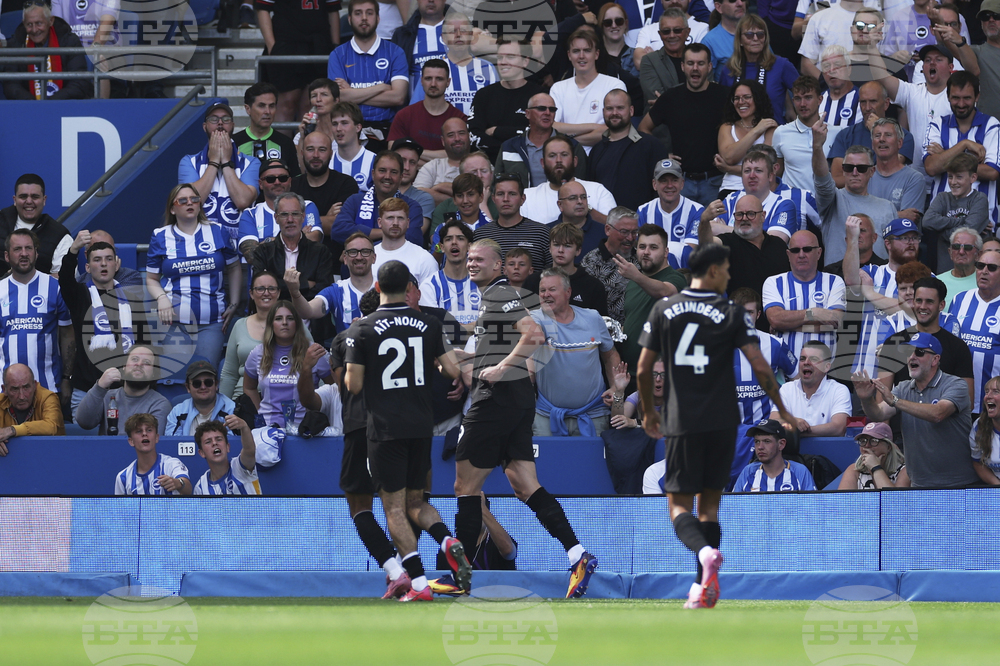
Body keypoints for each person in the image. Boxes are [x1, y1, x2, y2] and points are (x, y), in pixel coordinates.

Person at [636, 239, 796, 609]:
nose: (728, 275)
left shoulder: (665, 307)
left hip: (682, 418)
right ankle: (702, 588)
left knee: (678, 506)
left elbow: (644, 368)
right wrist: (782, 409)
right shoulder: (730, 312)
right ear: (710, 271)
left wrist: (647, 411)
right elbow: (760, 366)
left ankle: (704, 555)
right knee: (709, 507)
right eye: (724, 269)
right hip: (725, 419)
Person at [453, 239, 599, 599]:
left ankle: (457, 577)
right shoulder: (498, 298)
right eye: (469, 259)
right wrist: (471, 357)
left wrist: (502, 367)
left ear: (499, 265)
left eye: (480, 260)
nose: (472, 264)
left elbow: (533, 335)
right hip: (518, 401)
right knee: (524, 485)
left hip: (495, 401)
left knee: (465, 488)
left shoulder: (500, 294)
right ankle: (577, 555)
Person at [345, 260, 468, 601]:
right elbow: (452, 369)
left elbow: (353, 385)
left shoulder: (363, 329)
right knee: (417, 501)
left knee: (394, 509)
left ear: (378, 287)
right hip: (421, 424)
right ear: (410, 288)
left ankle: (416, 584)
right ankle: (446, 538)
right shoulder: (429, 323)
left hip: (384, 428)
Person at [853, 333, 978, 489]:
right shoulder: (903, 388)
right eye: (908, 352)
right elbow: (878, 414)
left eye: (919, 352)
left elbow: (938, 413)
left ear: (935, 359)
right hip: (919, 484)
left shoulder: (955, 384)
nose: (912, 357)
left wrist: (895, 401)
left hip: (959, 484)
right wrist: (866, 399)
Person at [146, 184, 241, 370]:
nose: (190, 203)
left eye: (194, 199)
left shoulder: (218, 231)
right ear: (172, 209)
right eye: (183, 200)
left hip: (212, 323)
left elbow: (235, 266)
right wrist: (161, 298)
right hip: (173, 323)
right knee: (175, 374)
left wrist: (234, 303)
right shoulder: (160, 236)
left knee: (204, 374)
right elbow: (151, 278)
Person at [531, 268, 620, 436]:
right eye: (542, 290)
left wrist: (615, 387)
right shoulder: (536, 318)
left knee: (591, 462)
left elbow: (610, 356)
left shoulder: (593, 318)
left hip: (593, 414)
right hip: (546, 415)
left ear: (568, 292)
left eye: (552, 289)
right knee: (547, 463)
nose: (545, 294)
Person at [639, 44, 730, 206]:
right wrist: (662, 154)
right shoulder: (671, 97)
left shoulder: (724, 96)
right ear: (682, 66)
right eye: (690, 63)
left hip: (716, 181)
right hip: (681, 183)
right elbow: (643, 129)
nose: (695, 68)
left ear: (709, 67)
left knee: (714, 230)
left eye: (701, 63)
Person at [58, 235, 138, 415]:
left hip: (126, 391)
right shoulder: (79, 296)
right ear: (87, 267)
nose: (103, 264)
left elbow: (143, 341)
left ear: (116, 265)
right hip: (86, 389)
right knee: (86, 443)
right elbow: (64, 278)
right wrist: (73, 250)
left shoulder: (131, 300)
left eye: (109, 259)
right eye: (97, 260)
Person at [877, 276, 974, 407]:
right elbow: (882, 402)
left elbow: (967, 401)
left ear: (941, 305)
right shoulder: (893, 343)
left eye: (929, 302)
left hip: (943, 424)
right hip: (901, 425)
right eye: (918, 301)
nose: (923, 307)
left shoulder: (957, 347)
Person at [923, 72, 1000, 232]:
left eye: (967, 98)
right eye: (956, 98)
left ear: (977, 96)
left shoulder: (991, 125)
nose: (961, 103)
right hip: (941, 225)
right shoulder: (937, 124)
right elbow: (931, 168)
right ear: (948, 96)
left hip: (983, 225)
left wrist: (945, 155)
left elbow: (992, 172)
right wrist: (965, 144)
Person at [812, 122, 898, 265]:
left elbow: (895, 250)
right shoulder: (833, 199)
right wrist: (817, 147)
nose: (855, 172)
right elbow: (822, 179)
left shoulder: (888, 207)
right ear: (843, 170)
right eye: (849, 167)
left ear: (872, 171)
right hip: (839, 280)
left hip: (877, 282)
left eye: (862, 168)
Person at [0, 229, 73, 396]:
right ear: (6, 256)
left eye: (29, 248)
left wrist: (67, 377)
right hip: (4, 391)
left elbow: (68, 335)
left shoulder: (55, 287)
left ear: (36, 253)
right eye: (17, 249)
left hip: (48, 389)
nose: (24, 254)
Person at [178, 103, 261, 243]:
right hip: (200, 247)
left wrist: (227, 162)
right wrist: (214, 162)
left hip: (238, 248)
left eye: (226, 119)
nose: (220, 123)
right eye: (214, 119)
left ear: (233, 125)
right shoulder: (189, 162)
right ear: (205, 126)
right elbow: (191, 201)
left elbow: (243, 201)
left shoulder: (251, 163)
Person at [244, 301, 333, 429]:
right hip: (267, 430)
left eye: (290, 318)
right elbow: (249, 388)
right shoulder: (258, 353)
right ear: (271, 324)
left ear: (297, 323)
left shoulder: (314, 352)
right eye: (278, 319)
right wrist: (260, 413)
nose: (284, 322)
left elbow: (334, 389)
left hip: (305, 430)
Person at [869, 44, 954, 176]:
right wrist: (871, 44)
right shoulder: (912, 92)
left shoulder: (958, 98)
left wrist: (945, 155)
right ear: (922, 68)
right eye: (927, 60)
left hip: (948, 178)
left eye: (938, 59)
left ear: (951, 67)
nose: (932, 63)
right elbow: (881, 75)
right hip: (915, 179)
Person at [762, 230, 846, 359]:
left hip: (824, 370)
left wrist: (787, 326)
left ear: (819, 253)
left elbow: (834, 322)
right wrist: (813, 313)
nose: (801, 255)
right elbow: (775, 319)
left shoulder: (834, 281)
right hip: (783, 372)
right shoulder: (773, 282)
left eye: (807, 249)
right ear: (788, 255)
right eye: (795, 250)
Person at [327, 0, 409, 132]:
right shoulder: (337, 54)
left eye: (369, 13)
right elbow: (338, 97)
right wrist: (381, 88)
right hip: (349, 130)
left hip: (387, 128)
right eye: (358, 13)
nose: (364, 18)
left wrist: (352, 92)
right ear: (349, 19)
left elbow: (398, 97)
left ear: (378, 18)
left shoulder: (395, 52)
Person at [255, 0, 340, 125]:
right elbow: (262, 8)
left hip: (318, 43)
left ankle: (305, 144)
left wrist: (335, 49)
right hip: (286, 42)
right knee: (287, 102)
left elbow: (333, 10)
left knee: (310, 103)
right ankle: (283, 145)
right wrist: (273, 48)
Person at [549, 28, 628, 155]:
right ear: (569, 55)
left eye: (587, 50)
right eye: (576, 51)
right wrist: (594, 127)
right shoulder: (558, 88)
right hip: (568, 161)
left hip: (605, 156)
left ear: (596, 54)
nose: (581, 56)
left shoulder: (614, 85)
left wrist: (569, 139)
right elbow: (552, 127)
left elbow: (613, 130)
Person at [700, 194, 790, 304]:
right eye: (739, 214)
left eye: (751, 214)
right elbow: (706, 246)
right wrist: (704, 221)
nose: (744, 218)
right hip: (740, 316)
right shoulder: (727, 242)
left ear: (763, 216)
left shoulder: (778, 245)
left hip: (775, 314)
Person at [620, 224, 688, 370]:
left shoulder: (677, 278)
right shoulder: (632, 283)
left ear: (665, 252)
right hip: (631, 372)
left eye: (653, 247)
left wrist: (637, 276)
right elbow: (633, 319)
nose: (646, 252)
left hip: (661, 375)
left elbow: (664, 292)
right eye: (642, 246)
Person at [587, 89, 668, 210]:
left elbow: (662, 189)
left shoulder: (651, 145)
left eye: (620, 108)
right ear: (603, 112)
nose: (614, 113)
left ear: (631, 111)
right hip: (604, 223)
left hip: (641, 223)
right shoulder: (596, 151)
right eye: (609, 109)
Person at [248, 192, 335, 303]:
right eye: (284, 214)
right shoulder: (263, 252)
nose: (290, 219)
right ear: (276, 218)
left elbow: (324, 292)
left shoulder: (320, 251)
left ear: (303, 217)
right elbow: (261, 291)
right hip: (274, 315)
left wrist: (278, 287)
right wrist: (304, 284)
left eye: (295, 214)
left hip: (311, 317)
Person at [468, 40, 548, 161]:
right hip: (489, 166)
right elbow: (473, 136)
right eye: (500, 57)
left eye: (510, 57)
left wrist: (497, 131)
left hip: (530, 164)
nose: (503, 62)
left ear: (525, 61)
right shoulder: (483, 95)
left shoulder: (539, 95)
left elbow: (539, 133)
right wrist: (508, 149)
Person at [286, 233, 376, 339]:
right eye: (353, 252)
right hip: (347, 354)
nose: (359, 257)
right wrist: (295, 292)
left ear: (374, 258)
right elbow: (308, 312)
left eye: (365, 252)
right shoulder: (336, 291)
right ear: (345, 258)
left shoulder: (387, 288)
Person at [291, 131, 361, 263]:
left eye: (322, 150)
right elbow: (282, 226)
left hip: (335, 264)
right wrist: (326, 218)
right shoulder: (292, 186)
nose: (316, 155)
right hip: (297, 264)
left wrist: (300, 221)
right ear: (302, 153)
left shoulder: (346, 184)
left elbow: (341, 226)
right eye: (310, 149)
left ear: (331, 153)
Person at [828, 82, 916, 187]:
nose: (867, 107)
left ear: (886, 103)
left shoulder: (903, 136)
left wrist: (877, 130)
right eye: (863, 102)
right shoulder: (845, 135)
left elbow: (888, 169)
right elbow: (836, 179)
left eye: (873, 101)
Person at [330, 151, 425, 247]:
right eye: (382, 170)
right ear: (373, 174)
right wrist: (388, 233)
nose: (387, 176)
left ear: (401, 177)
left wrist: (357, 247)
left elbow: (412, 240)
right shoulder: (355, 201)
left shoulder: (411, 207)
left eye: (394, 172)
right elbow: (338, 231)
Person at [495, 93, 589, 190]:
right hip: (522, 204)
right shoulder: (509, 147)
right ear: (527, 113)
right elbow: (497, 185)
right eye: (541, 108)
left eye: (552, 109)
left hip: (562, 203)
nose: (547, 113)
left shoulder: (572, 146)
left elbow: (584, 184)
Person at [717, 15, 799, 125]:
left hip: (773, 136)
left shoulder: (781, 65)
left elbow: (804, 94)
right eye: (749, 35)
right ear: (740, 40)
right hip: (741, 138)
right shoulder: (729, 70)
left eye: (760, 34)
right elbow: (725, 109)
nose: (755, 39)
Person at [238, 160, 323, 262]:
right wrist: (300, 236)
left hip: (302, 277)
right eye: (270, 179)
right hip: (263, 277)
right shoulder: (250, 214)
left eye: (283, 178)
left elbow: (314, 238)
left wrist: (267, 241)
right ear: (260, 184)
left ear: (290, 181)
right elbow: (252, 255)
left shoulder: (307, 206)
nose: (277, 182)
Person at [522, 135, 617, 225]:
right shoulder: (528, 197)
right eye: (552, 155)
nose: (558, 160)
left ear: (575, 161)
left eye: (564, 154)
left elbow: (615, 228)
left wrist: (586, 208)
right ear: (543, 163)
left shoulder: (598, 190)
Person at [76, 345, 171, 436]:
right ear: (124, 367)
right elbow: (84, 422)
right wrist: (100, 386)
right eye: (134, 359)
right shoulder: (107, 396)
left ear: (154, 373)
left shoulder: (160, 404)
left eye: (146, 362)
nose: (139, 364)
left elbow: (148, 441)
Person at [2, 2, 90, 100]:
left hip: (65, 105)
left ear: (50, 21)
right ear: (24, 24)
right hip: (28, 107)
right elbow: (10, 85)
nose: (34, 30)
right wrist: (34, 104)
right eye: (29, 25)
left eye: (39, 23)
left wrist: (49, 104)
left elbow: (79, 82)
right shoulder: (16, 44)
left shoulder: (69, 41)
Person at [948, 248, 1000, 410]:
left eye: (991, 268)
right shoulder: (960, 299)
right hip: (957, 401)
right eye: (980, 265)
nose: (984, 271)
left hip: (993, 404)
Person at [222, 272, 285, 399]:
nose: (266, 293)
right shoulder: (240, 325)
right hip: (243, 399)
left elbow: (312, 365)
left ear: (278, 293)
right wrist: (223, 409)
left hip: (284, 397)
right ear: (251, 294)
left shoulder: (293, 323)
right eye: (260, 289)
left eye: (271, 289)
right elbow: (229, 373)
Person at [711, 148, 799, 241]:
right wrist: (760, 234)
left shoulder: (783, 204)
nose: (752, 176)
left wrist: (725, 230)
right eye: (747, 171)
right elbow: (712, 229)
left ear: (770, 176)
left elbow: (774, 243)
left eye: (758, 170)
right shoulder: (731, 200)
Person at [524, 222, 608, 315]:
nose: (560, 250)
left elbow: (600, 324)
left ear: (578, 251)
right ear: (549, 248)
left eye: (567, 246)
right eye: (556, 245)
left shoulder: (593, 286)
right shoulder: (532, 282)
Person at [935, 0, 1000, 120]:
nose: (991, 20)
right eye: (985, 17)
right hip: (989, 129)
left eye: (996, 16)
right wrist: (943, 28)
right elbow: (957, 50)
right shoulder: (975, 52)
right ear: (981, 23)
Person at [769, 341, 850, 437]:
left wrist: (799, 431)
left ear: (826, 367)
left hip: (829, 451)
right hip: (792, 451)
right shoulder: (787, 389)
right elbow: (773, 422)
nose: (806, 363)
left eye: (814, 359)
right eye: (802, 359)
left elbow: (839, 428)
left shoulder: (839, 390)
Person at [475, 173, 553, 271]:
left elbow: (553, 273)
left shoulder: (542, 233)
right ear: (493, 199)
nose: (506, 199)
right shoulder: (481, 235)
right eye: (500, 194)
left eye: (512, 194)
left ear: (522, 199)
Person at [924, 158, 990, 272]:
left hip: (972, 271)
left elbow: (967, 235)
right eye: (950, 176)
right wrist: (962, 221)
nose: (953, 182)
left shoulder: (979, 199)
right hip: (945, 269)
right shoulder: (942, 198)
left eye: (959, 177)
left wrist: (940, 231)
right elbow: (927, 221)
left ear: (973, 178)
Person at [388, 60, 467, 154]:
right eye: (428, 78)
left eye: (439, 79)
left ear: (448, 82)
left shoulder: (460, 119)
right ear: (421, 81)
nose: (433, 84)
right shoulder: (404, 115)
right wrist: (444, 155)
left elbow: (461, 154)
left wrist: (413, 153)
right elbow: (393, 150)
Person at [0, 174, 72, 277]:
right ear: (14, 200)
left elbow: (65, 278)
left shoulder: (60, 236)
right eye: (23, 196)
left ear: (44, 200)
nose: (29, 201)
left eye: (35, 197)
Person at [716, 81, 777, 201]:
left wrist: (729, 169)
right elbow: (729, 157)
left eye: (747, 97)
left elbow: (766, 167)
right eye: (736, 98)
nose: (741, 102)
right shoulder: (727, 127)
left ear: (758, 99)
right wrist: (756, 131)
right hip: (730, 188)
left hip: (760, 190)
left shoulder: (770, 127)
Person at [582, 207, 641, 323]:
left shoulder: (641, 258)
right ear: (608, 229)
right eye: (624, 232)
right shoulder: (591, 262)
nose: (630, 238)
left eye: (634, 232)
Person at [862, 117, 926, 224]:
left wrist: (870, 216)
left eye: (888, 135)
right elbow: (857, 217)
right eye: (877, 136)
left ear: (900, 143)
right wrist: (897, 215)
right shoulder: (864, 176)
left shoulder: (914, 179)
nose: (882, 139)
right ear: (873, 144)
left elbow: (906, 223)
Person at [233, 82, 301, 178]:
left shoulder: (286, 143)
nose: (268, 112)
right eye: (261, 106)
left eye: (272, 106)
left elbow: (295, 180)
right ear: (248, 109)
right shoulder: (234, 143)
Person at [419, 219, 480, 326]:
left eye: (460, 238)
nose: (454, 242)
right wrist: (473, 327)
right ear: (442, 247)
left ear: (469, 247)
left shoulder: (484, 282)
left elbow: (492, 323)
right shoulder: (429, 286)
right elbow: (434, 327)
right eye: (448, 239)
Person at [114, 414, 191, 496]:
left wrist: (178, 483)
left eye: (149, 430)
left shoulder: (172, 464)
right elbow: (120, 507)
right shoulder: (123, 477)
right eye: (139, 431)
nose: (144, 434)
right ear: (131, 441)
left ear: (157, 438)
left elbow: (188, 490)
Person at [428, 151, 497, 242]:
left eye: (484, 171)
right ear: (462, 176)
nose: (479, 176)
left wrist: (483, 204)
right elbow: (435, 242)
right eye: (474, 172)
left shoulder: (502, 202)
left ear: (491, 175)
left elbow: (497, 243)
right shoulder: (446, 206)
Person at [731, 419, 816, 492]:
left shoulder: (800, 471)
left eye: (767, 441)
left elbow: (812, 507)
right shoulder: (748, 471)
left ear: (781, 444)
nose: (760, 447)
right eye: (757, 442)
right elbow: (733, 507)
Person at [637, 8, 692, 119]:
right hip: (663, 129)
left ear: (687, 32)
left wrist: (668, 99)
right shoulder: (649, 60)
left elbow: (708, 96)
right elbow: (657, 102)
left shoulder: (700, 57)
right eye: (666, 31)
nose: (671, 35)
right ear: (660, 34)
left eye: (677, 30)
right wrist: (694, 96)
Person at [440, 12, 498, 116]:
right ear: (443, 38)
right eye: (452, 31)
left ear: (471, 36)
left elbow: (497, 106)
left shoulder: (487, 68)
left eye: (463, 31)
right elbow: (421, 108)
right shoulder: (434, 68)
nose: (458, 35)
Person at [0, 364, 65, 456]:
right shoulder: (1, 400)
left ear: (35, 385)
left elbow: (51, 426)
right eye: (15, 389)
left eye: (26, 387)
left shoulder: (47, 398)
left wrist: (12, 430)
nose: (22, 396)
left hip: (51, 456)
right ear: (4, 389)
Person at [392, 0, 450, 102]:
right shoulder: (402, 35)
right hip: (416, 110)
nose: (430, 0)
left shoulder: (461, 30)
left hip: (455, 109)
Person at [772, 75, 823, 191]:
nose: (802, 104)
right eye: (798, 98)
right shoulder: (781, 132)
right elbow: (776, 173)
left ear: (820, 100)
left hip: (826, 204)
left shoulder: (837, 133)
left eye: (808, 97)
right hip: (793, 205)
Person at [371, 198, 438, 285]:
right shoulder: (367, 257)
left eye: (400, 218)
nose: (395, 223)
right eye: (390, 218)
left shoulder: (424, 259)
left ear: (408, 222)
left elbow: (431, 296)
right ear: (379, 222)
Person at [797, 0, 869, 79]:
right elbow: (807, 65)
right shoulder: (818, 18)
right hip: (826, 88)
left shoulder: (881, 24)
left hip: (868, 88)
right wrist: (827, 84)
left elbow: (883, 65)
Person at [192, 415, 262, 495]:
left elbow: (249, 451)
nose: (214, 443)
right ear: (202, 453)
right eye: (208, 442)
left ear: (227, 447)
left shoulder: (239, 467)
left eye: (219, 439)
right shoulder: (201, 488)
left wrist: (244, 427)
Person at [166, 360, 237, 436]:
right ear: (188, 388)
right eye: (197, 383)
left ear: (216, 385)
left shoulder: (232, 410)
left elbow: (233, 445)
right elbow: (172, 445)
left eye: (208, 382)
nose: (203, 387)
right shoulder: (177, 412)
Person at [414, 117, 473, 205]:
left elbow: (485, 197)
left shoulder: (481, 165)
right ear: (443, 141)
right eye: (450, 135)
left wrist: (440, 187)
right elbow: (416, 195)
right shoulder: (433, 166)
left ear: (469, 136)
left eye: (461, 133)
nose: (457, 138)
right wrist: (464, 200)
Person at [552, 181, 613, 261]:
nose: (580, 201)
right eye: (573, 198)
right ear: (560, 205)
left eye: (583, 197)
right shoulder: (547, 232)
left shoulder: (604, 233)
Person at [838, 421, 910, 489]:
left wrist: (876, 468)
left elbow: (893, 500)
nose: (867, 445)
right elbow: (843, 501)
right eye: (863, 441)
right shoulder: (854, 470)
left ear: (888, 447)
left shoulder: (904, 471)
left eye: (874, 441)